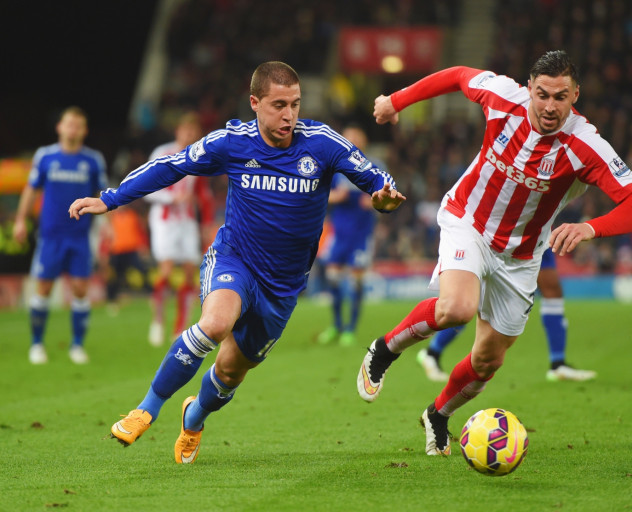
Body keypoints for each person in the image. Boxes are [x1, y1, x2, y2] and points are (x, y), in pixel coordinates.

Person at [69, 62, 405, 464]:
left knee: (230, 372)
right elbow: (172, 166)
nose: (289, 115)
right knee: (214, 324)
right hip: (236, 259)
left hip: (283, 286)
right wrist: (110, 199)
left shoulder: (321, 143)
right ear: (254, 103)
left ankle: (194, 418)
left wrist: (385, 198)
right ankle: (146, 408)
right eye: (279, 105)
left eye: (295, 104)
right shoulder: (232, 142)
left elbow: (375, 178)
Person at [356, 51, 632, 456]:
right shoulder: (501, 96)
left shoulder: (586, 145)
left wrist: (589, 228)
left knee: (487, 361)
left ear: (575, 95)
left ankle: (438, 414)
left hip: (521, 256)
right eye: (542, 94)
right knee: (457, 308)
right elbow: (457, 75)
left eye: (561, 97)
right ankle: (385, 349)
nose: (550, 106)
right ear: (529, 88)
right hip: (469, 222)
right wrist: (396, 101)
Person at [13, 106, 108, 365]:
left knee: (80, 289)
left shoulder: (93, 160)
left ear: (85, 130)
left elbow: (102, 195)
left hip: (80, 236)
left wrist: (106, 224)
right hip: (50, 236)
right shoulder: (45, 156)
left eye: (78, 125)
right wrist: (21, 220)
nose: (73, 129)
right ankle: (36, 344)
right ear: (59, 127)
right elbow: (31, 189)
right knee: (43, 288)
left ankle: (77, 345)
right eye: (69, 124)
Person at [417, 247, 597, 382]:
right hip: (504, 230)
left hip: (537, 230)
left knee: (552, 290)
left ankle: (558, 364)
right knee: (470, 300)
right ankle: (432, 352)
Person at [145, 112, 215, 346]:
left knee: (189, 272)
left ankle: (179, 328)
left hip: (187, 222)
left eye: (194, 131)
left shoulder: (199, 158)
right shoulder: (162, 153)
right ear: (178, 131)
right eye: (186, 130)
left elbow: (204, 194)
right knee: (165, 270)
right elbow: (145, 188)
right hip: (164, 220)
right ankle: (157, 321)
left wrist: (206, 223)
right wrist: (171, 198)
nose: (189, 135)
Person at [317, 125, 382, 347]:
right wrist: (338, 196)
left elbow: (384, 198)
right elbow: (322, 195)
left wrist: (374, 201)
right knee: (332, 277)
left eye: (356, 137)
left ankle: (350, 329)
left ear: (363, 141)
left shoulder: (372, 167)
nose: (352, 141)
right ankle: (336, 325)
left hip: (361, 235)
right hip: (339, 233)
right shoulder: (335, 168)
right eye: (348, 138)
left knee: (356, 281)